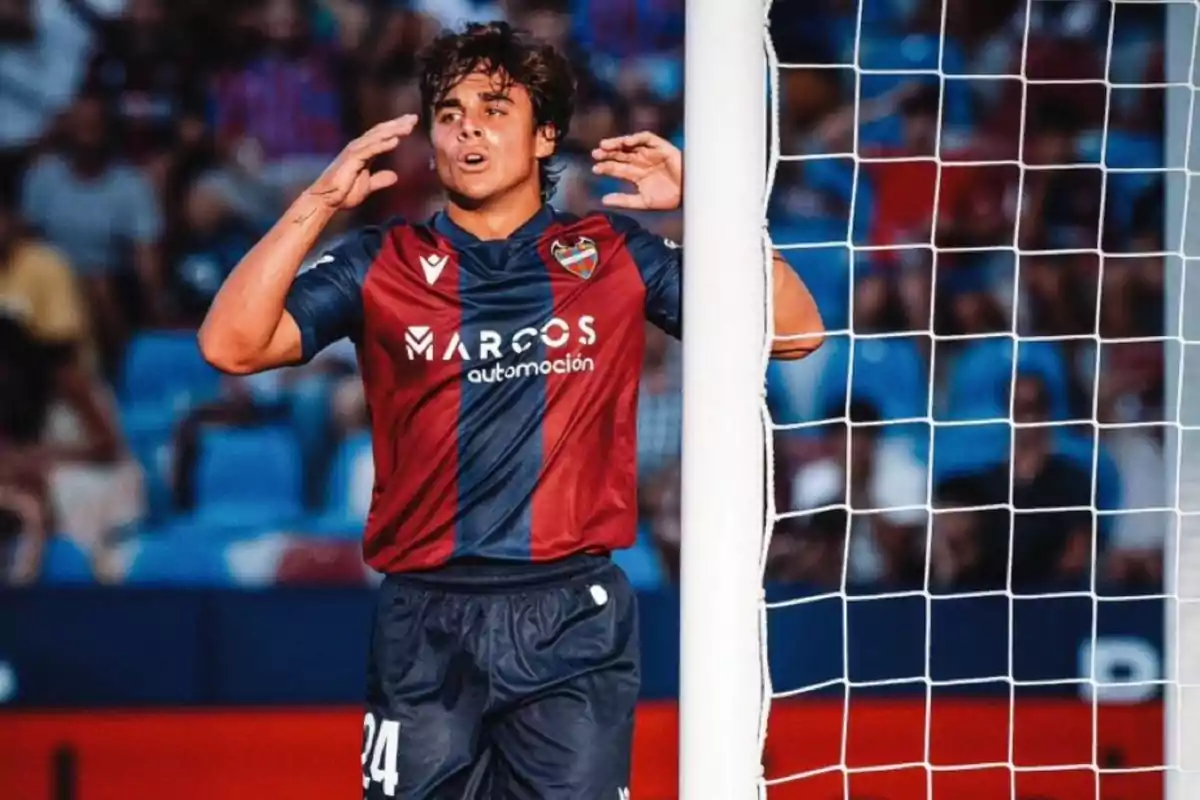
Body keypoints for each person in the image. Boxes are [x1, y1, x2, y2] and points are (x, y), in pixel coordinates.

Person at [198, 21, 825, 800]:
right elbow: (231, 346)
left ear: (544, 136)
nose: (467, 127)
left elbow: (796, 333)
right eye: (450, 111)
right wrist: (320, 201)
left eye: (495, 107)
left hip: (571, 619)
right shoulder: (380, 262)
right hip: (424, 622)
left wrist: (712, 202)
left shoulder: (612, 255)